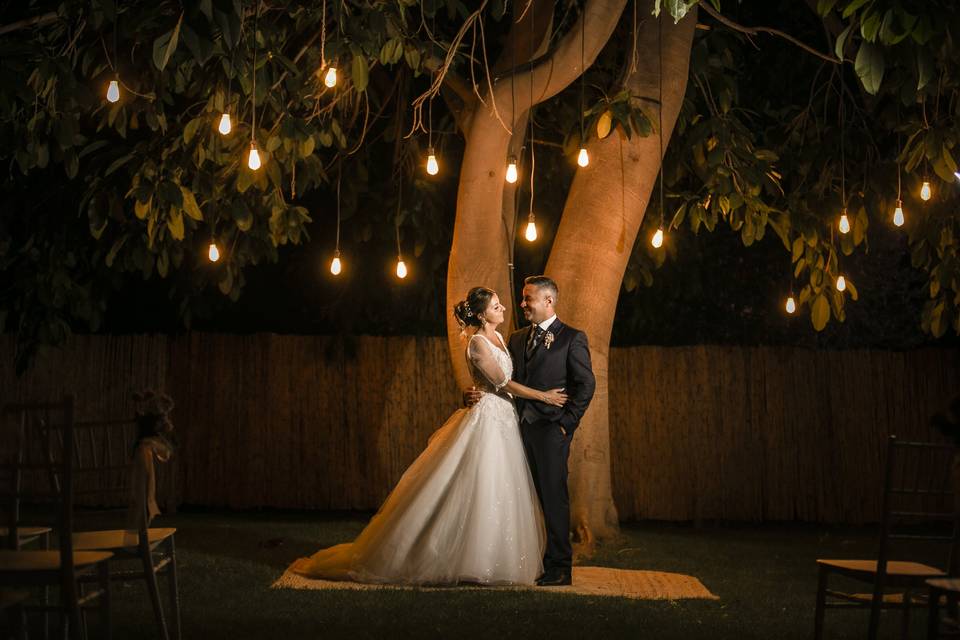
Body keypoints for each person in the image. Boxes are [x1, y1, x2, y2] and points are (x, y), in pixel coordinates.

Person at [289, 287, 567, 585]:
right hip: (487, 420)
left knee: (502, 486)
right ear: (482, 313)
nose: (503, 309)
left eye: (500, 304)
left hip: (505, 420)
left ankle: (495, 560)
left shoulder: (501, 338)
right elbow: (503, 383)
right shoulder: (477, 343)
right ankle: (460, 560)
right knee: (479, 483)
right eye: (496, 306)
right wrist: (544, 397)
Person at [465, 275, 596, 586]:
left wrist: (567, 423)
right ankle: (528, 561)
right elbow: (501, 380)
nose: (521, 304)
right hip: (514, 429)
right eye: (522, 298)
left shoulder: (571, 338)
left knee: (553, 497)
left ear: (548, 301)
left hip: (551, 430)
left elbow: (586, 384)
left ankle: (560, 567)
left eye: (528, 299)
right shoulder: (516, 338)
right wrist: (473, 393)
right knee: (523, 498)